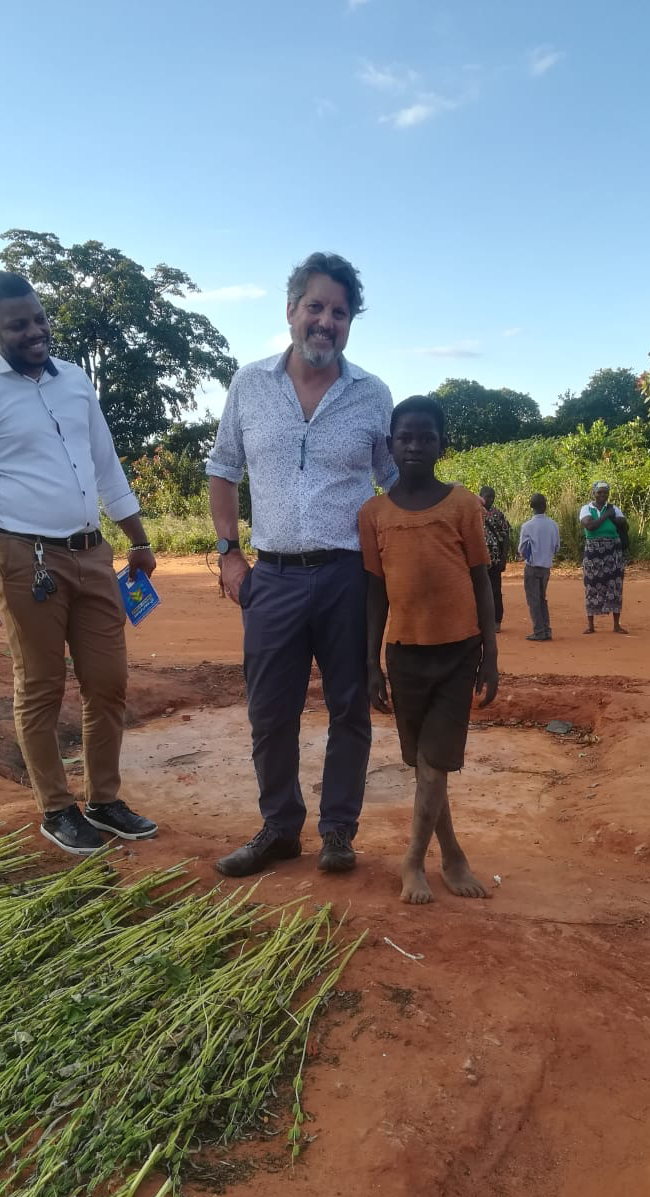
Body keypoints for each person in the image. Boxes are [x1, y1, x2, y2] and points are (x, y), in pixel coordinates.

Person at [0, 270, 158, 855]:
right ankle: (57, 809)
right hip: (24, 560)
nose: (35, 331)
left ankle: (104, 800)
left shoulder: (77, 381)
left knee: (108, 682)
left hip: (92, 554)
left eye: (39, 319)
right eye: (19, 324)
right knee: (40, 685)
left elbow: (107, 467)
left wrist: (137, 538)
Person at [207, 252, 395, 877]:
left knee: (350, 708)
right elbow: (223, 469)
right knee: (270, 710)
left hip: (348, 576)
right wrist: (230, 555)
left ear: (349, 324)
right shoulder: (249, 385)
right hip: (274, 576)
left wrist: (447, 514)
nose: (326, 321)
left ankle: (338, 831)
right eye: (315, 307)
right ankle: (279, 828)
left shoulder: (372, 395)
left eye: (339, 312)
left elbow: (394, 481)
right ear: (290, 311)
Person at [361, 395, 498, 905]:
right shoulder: (372, 514)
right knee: (425, 765)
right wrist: (370, 662)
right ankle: (453, 854)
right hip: (404, 654)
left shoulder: (463, 505)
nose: (415, 446)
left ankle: (413, 861)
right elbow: (375, 593)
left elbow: (481, 581)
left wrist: (492, 654)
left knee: (434, 762)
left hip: (459, 652)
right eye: (405, 438)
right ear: (390, 445)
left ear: (442, 444)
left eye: (426, 437)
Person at [579, 481, 628, 634]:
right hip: (593, 551)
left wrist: (611, 516)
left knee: (615, 585)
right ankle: (591, 625)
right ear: (593, 493)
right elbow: (590, 526)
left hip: (613, 551)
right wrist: (607, 515)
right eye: (599, 492)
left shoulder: (614, 508)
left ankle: (616, 625)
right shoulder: (586, 508)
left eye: (605, 492)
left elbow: (623, 524)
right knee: (591, 584)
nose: (602, 495)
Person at [517, 493, 560, 641]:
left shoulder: (527, 526)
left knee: (534, 600)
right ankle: (546, 629)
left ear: (531, 507)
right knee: (542, 598)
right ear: (545, 506)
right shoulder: (553, 525)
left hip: (532, 567)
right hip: (546, 567)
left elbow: (522, 549)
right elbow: (556, 547)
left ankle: (539, 631)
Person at [478, 487, 510, 632]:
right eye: (488, 496)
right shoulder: (473, 513)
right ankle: (480, 621)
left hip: (495, 560)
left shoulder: (498, 514)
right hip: (478, 560)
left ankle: (497, 621)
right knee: (478, 591)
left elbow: (506, 536)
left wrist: (504, 558)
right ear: (481, 496)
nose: (491, 499)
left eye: (493, 497)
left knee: (495, 590)